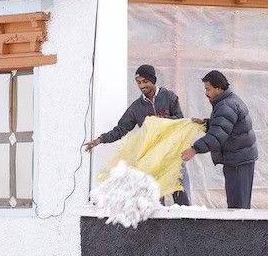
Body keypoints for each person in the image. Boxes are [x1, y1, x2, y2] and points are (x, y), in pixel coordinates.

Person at [85, 64, 191, 205]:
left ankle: (187, 225)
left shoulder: (169, 97)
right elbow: (121, 129)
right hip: (152, 159)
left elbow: (180, 120)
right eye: (139, 82)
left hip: (174, 155)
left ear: (153, 81)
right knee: (155, 201)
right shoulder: (136, 108)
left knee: (182, 197)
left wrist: (158, 121)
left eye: (145, 81)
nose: (142, 86)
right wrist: (100, 139)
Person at [181, 70, 258, 209]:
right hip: (239, 158)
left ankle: (239, 230)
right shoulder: (228, 101)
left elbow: (217, 135)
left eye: (208, 89)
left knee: (238, 206)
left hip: (238, 161)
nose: (206, 93)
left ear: (219, 88)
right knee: (238, 203)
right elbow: (227, 126)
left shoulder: (226, 106)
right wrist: (206, 123)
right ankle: (238, 229)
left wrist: (194, 149)